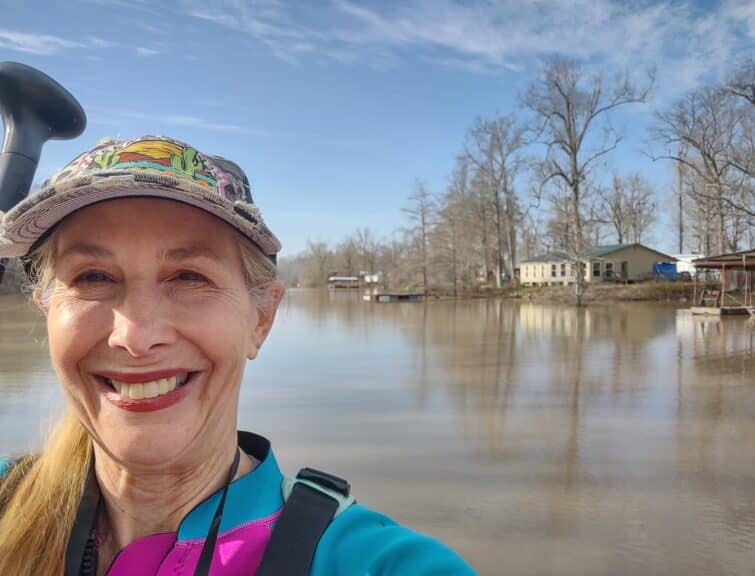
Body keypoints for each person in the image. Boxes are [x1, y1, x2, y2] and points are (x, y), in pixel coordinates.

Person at [0, 136, 476, 575]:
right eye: (93, 277)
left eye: (189, 276)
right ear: (45, 308)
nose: (135, 336)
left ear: (262, 319)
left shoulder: (371, 562)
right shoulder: (8, 500)